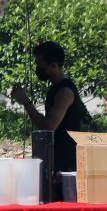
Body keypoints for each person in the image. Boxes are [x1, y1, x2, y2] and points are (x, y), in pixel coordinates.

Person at [10, 41, 87, 175]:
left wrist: (26, 102)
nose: (37, 68)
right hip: (54, 156)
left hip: (66, 162)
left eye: (40, 64)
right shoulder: (55, 87)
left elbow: (48, 126)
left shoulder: (65, 92)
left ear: (53, 66)